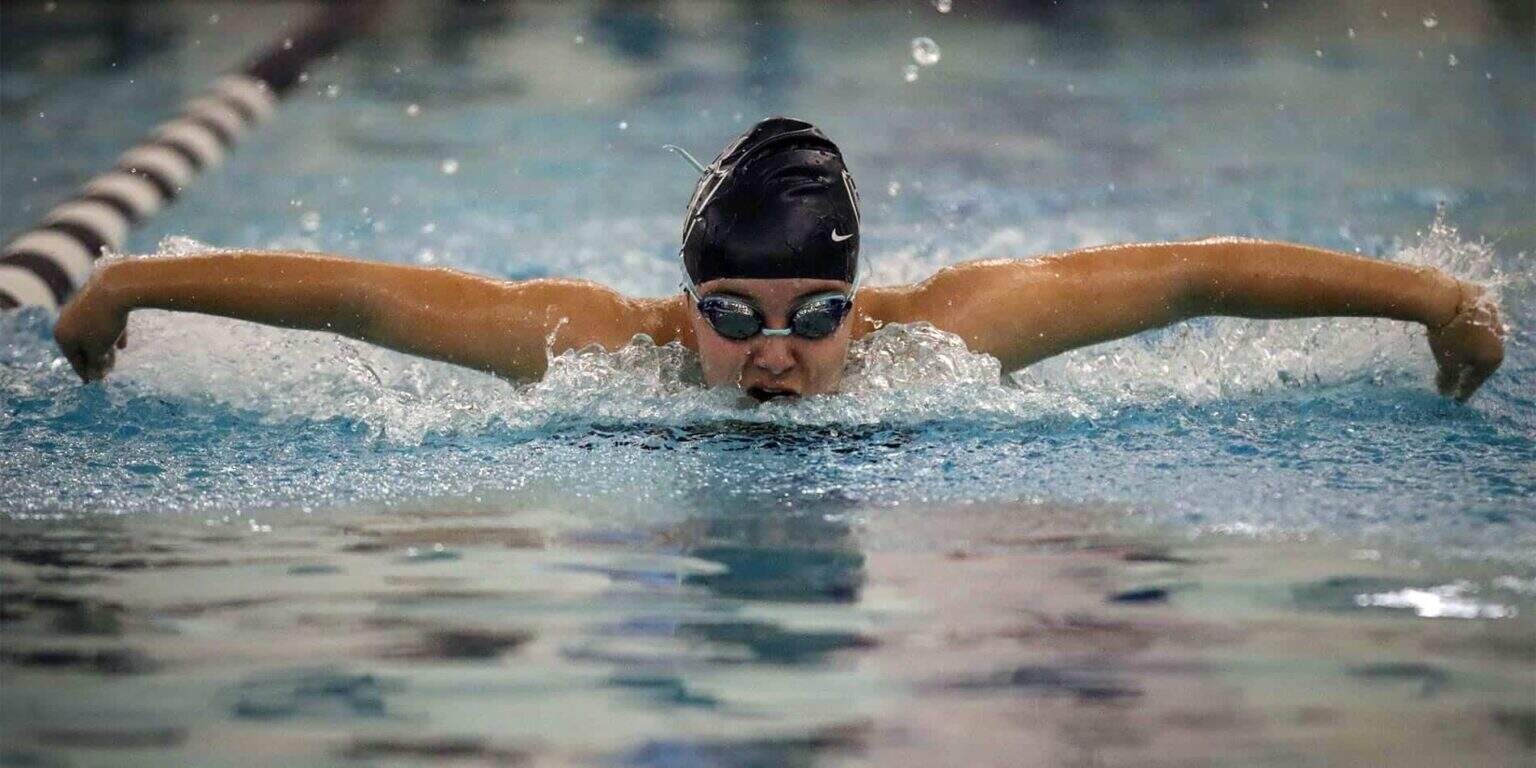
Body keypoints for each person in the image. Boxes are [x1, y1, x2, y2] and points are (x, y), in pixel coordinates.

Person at [53, 117, 1504, 402]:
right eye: (731, 315)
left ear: (859, 302)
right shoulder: (596, 348)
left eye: (816, 314)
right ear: (678, 306)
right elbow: (363, 299)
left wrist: (1433, 300)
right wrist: (124, 283)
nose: (774, 351)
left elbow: (1196, 276)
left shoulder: (946, 339)